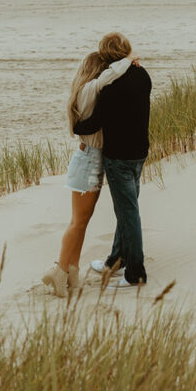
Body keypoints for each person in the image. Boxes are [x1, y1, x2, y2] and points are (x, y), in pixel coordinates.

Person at [41, 50, 137, 298]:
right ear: (97, 71)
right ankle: (59, 269)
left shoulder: (86, 90)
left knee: (82, 221)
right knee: (77, 222)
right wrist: (129, 58)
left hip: (90, 159)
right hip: (88, 161)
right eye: (103, 69)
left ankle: (71, 271)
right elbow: (112, 74)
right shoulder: (91, 89)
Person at [73, 32, 151, 290]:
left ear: (106, 56)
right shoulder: (143, 75)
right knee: (127, 209)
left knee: (128, 212)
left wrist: (76, 126)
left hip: (118, 157)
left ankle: (136, 273)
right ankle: (115, 261)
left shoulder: (109, 87)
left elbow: (96, 122)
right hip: (140, 152)